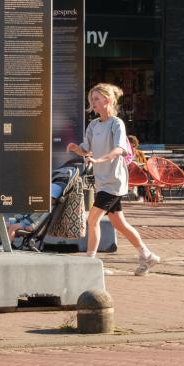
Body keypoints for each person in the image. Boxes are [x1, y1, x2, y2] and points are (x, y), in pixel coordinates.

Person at [67, 83, 160, 276]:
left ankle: (91, 265)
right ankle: (147, 255)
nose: (93, 103)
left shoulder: (117, 124)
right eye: (91, 99)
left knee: (92, 219)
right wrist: (77, 149)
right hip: (102, 181)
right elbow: (86, 149)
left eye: (96, 99)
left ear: (108, 100)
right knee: (119, 223)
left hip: (114, 181)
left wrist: (100, 159)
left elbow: (119, 149)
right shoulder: (93, 125)